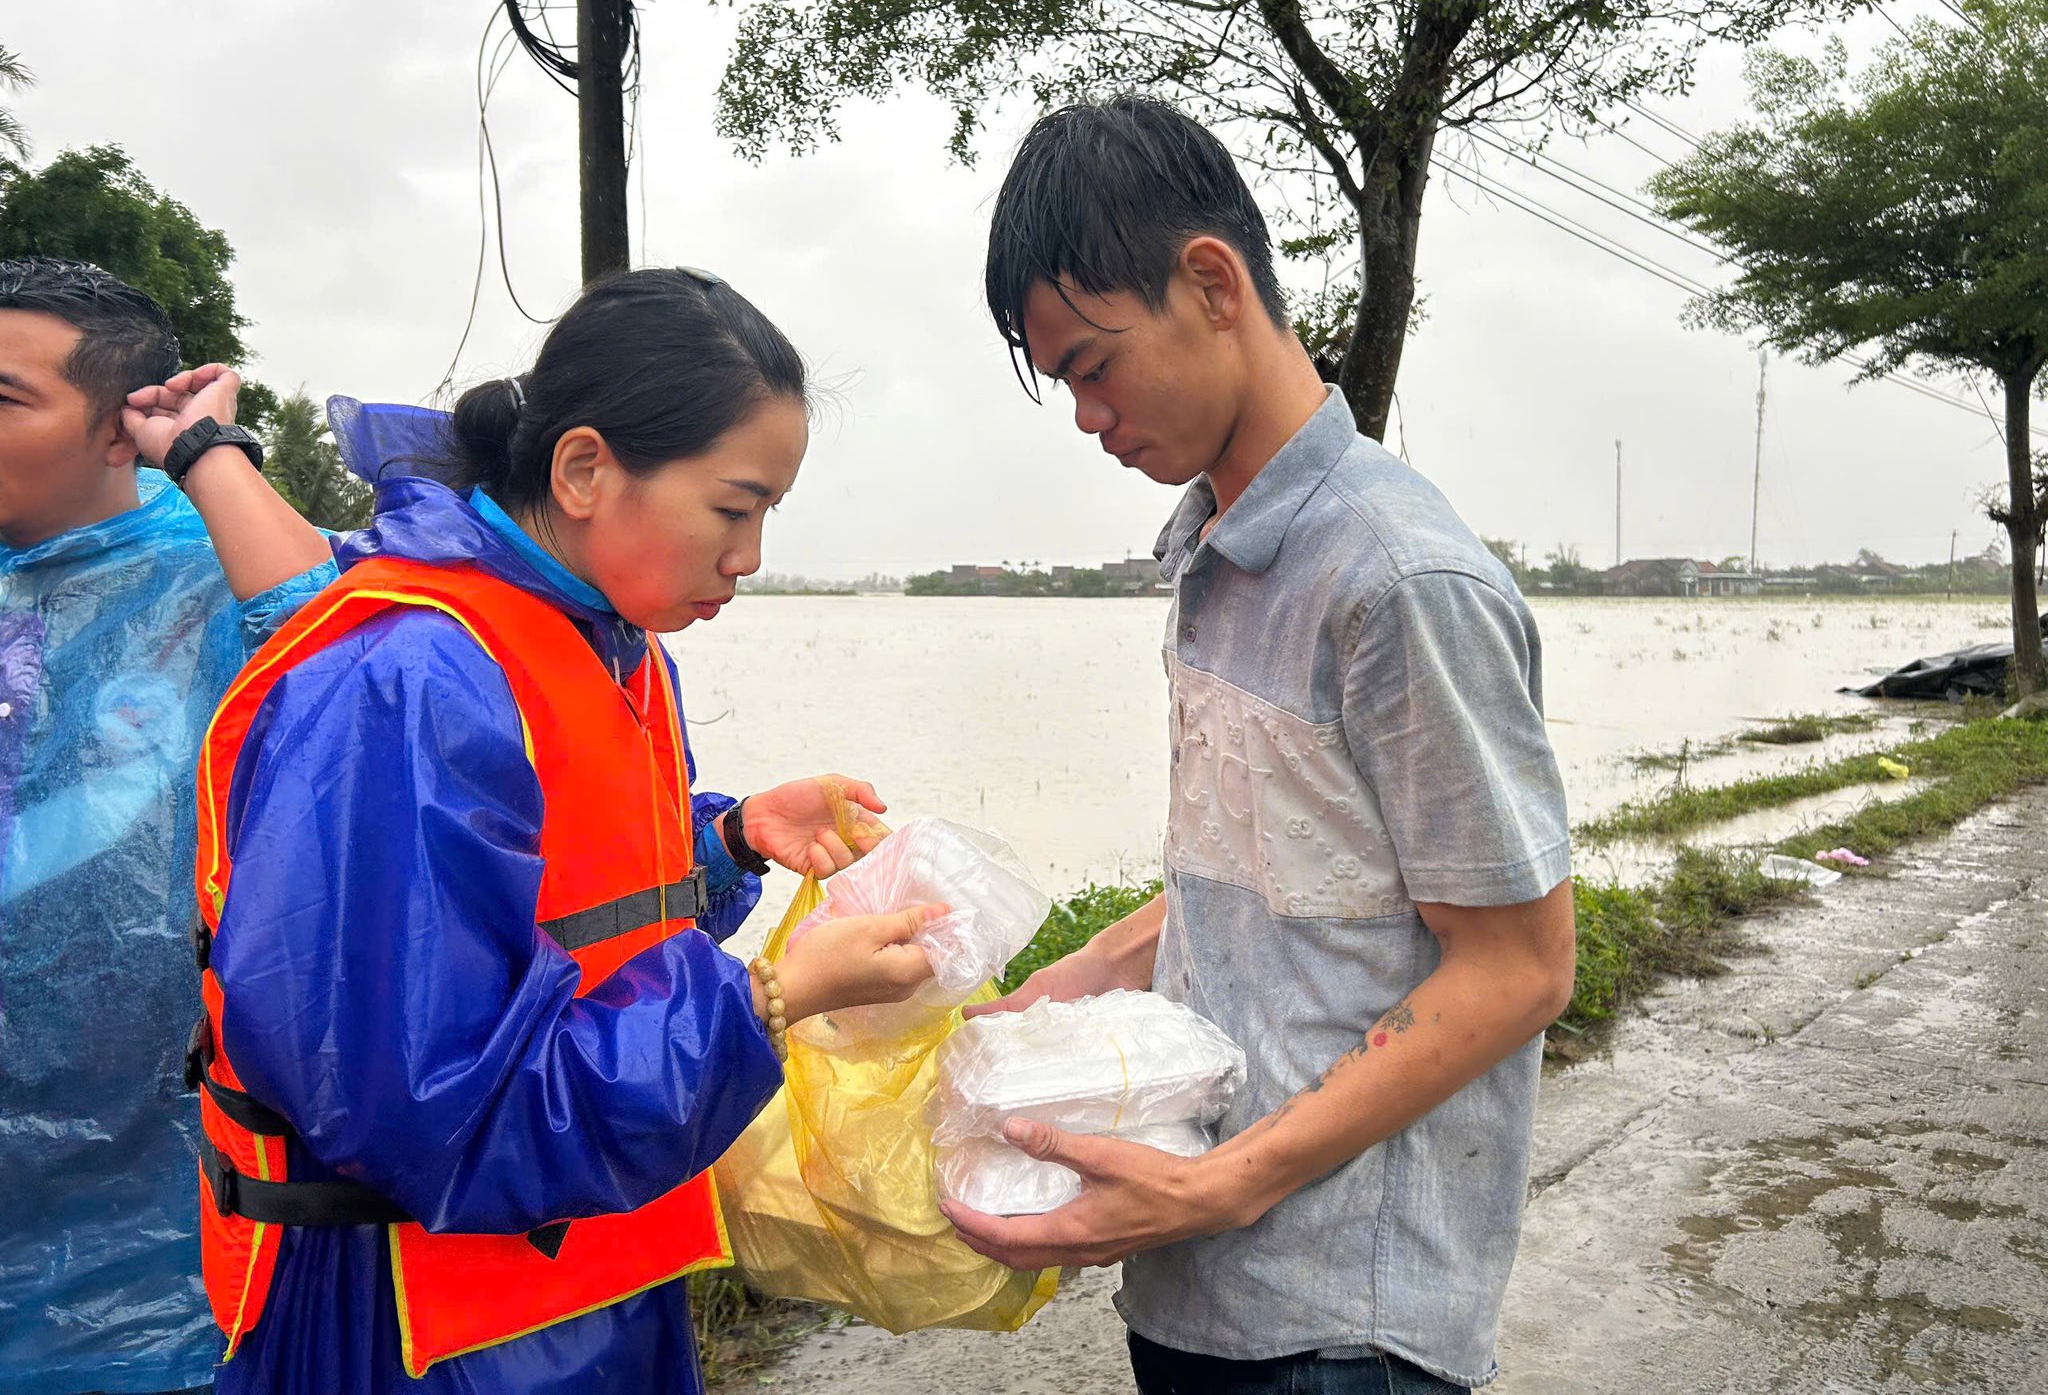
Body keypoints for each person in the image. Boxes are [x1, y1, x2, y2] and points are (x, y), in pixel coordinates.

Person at [180, 264, 943, 1395]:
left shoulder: (610, 640)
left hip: (591, 1278)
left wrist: (726, 842)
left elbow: (565, 908)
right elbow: (430, 1108)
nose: (750, 556)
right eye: (731, 508)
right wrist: (767, 1000)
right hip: (411, 1326)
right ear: (585, 468)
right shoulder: (412, 682)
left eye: (767, 514)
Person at [941, 99, 1578, 1394]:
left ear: (1213, 284)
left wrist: (1224, 1186)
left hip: (1347, 1324)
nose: (1084, 415)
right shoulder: (1218, 564)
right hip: (1196, 1283)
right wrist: (1018, 1011)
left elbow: (1518, 967)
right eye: (1063, 380)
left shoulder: (1399, 578)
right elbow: (1266, 879)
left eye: (1094, 365)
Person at [0, 256, 337, 1395]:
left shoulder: (200, 575)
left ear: (112, 436)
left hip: (148, 1205)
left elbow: (338, 654)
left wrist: (204, 450)